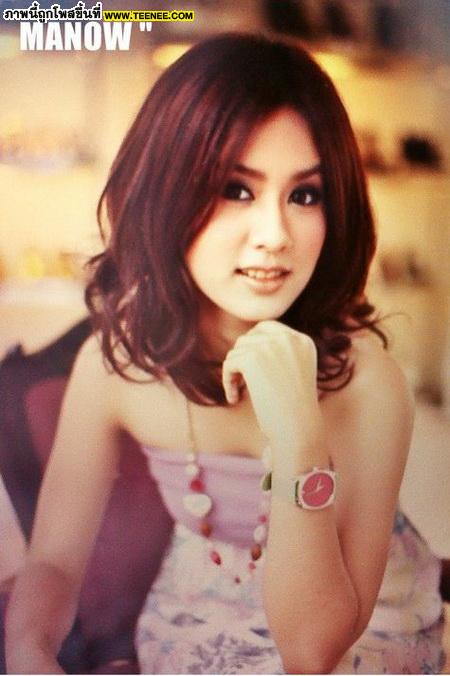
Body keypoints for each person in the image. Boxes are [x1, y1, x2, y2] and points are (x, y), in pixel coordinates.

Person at [5, 33, 445, 674]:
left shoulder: (366, 382)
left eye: (305, 195)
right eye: (236, 189)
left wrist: (297, 433)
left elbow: (313, 651)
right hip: (196, 608)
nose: (275, 235)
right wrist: (28, 650)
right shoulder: (116, 365)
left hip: (356, 620)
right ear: (164, 192)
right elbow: (52, 560)